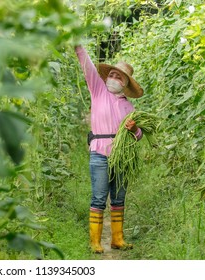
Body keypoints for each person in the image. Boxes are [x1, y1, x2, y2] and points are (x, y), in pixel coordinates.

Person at [75, 44, 144, 253]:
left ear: (124, 84)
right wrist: (77, 44)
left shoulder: (129, 108)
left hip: (122, 157)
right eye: (111, 74)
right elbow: (86, 65)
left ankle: (117, 239)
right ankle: (95, 241)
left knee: (118, 198)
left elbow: (139, 135)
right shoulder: (98, 92)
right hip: (99, 154)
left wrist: (135, 129)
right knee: (98, 197)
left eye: (118, 76)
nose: (113, 77)